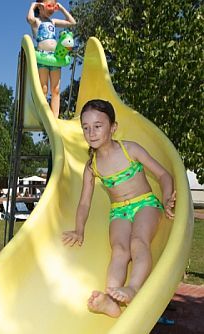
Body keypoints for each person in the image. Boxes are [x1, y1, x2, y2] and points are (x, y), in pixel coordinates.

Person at [62, 99, 176, 317]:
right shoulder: (91, 166)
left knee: (137, 241)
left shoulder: (129, 149)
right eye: (85, 128)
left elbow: (163, 174)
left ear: (113, 127)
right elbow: (84, 202)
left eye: (98, 126)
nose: (91, 132)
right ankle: (111, 299)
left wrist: (168, 197)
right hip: (119, 212)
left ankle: (132, 288)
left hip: (145, 204)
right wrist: (79, 229)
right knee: (119, 251)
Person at [27, 0, 76, 118]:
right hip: (42, 57)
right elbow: (29, 18)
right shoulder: (36, 21)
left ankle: (54, 118)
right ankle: (44, 115)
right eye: (49, 6)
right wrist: (33, 5)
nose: (52, 9)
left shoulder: (53, 22)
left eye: (53, 7)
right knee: (44, 89)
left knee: (56, 89)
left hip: (54, 58)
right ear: (41, 6)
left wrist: (61, 8)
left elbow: (72, 23)